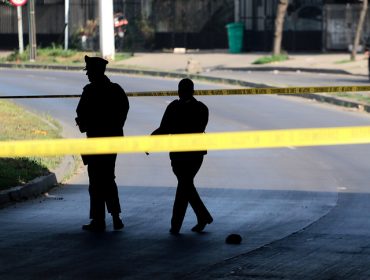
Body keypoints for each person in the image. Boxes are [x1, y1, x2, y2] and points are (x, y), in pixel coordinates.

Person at [147, 78, 213, 234]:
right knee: (185, 185)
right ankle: (200, 217)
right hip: (178, 154)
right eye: (180, 89)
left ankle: (177, 224)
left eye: (186, 89)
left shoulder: (200, 108)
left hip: (193, 154)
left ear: (193, 91)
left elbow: (195, 128)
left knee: (184, 185)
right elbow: (164, 128)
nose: (182, 92)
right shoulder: (176, 107)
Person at [76, 55, 129, 231]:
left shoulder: (89, 91)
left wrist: (86, 124)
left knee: (96, 181)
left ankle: (99, 220)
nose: (87, 74)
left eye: (89, 71)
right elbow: (123, 112)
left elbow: (80, 113)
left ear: (96, 71)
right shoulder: (116, 90)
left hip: (94, 141)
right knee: (108, 178)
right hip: (112, 141)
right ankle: (115, 217)